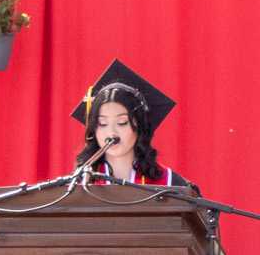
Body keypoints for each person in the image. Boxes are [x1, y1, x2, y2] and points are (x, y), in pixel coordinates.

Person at [72, 58, 188, 187]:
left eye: (122, 122)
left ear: (139, 126)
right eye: (102, 123)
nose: (111, 132)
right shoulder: (80, 184)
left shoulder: (170, 184)